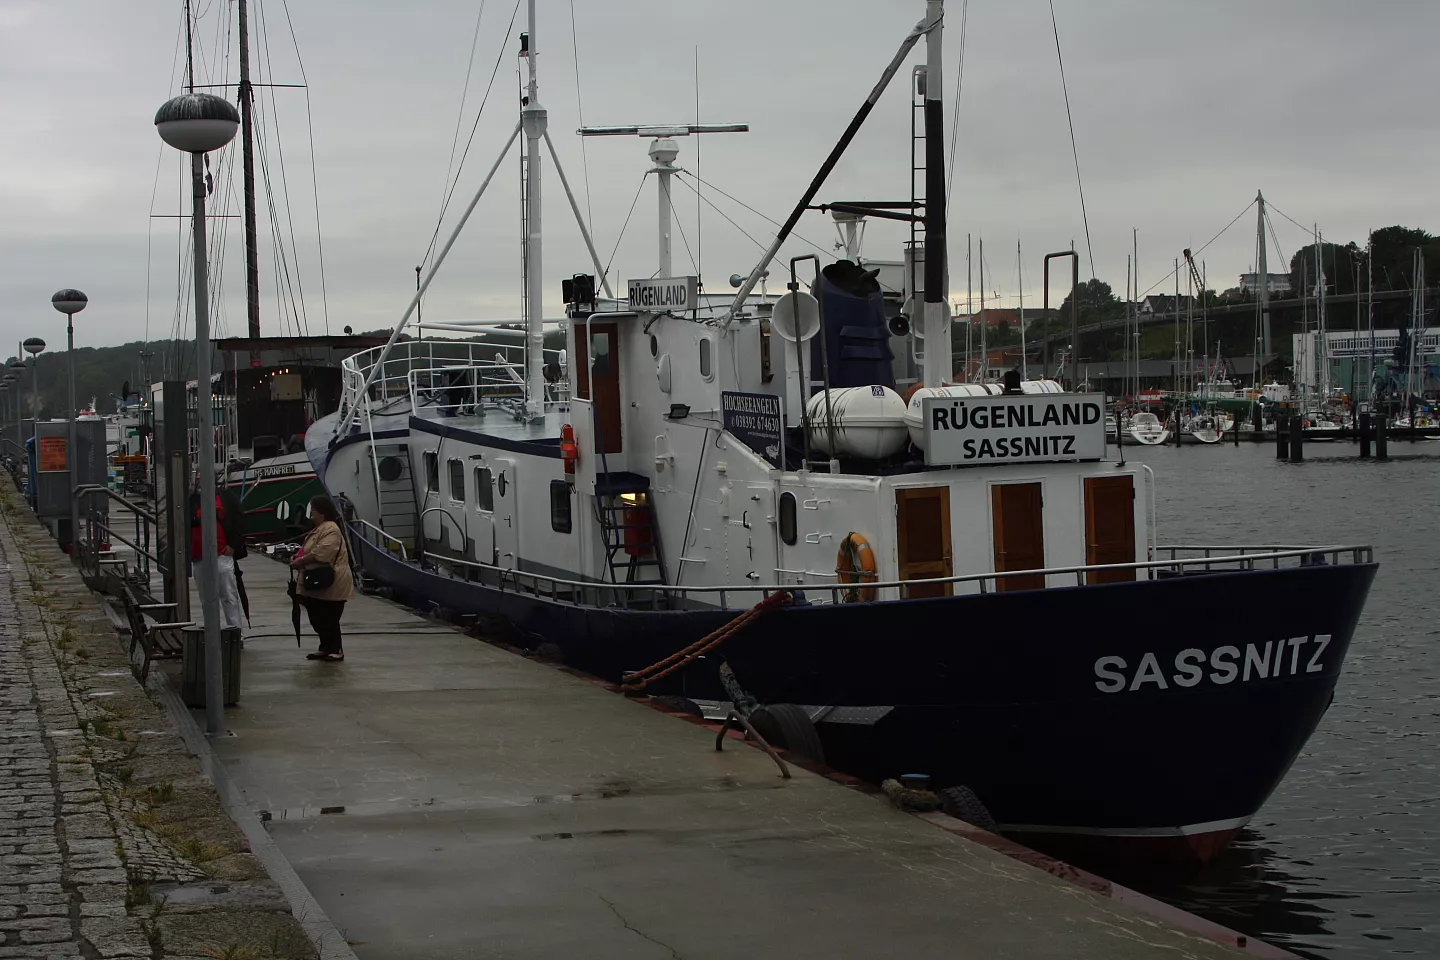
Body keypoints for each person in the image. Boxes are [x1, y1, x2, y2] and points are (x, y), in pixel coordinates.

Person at [291, 495, 354, 662]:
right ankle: (325, 647)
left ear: (322, 512)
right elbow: (308, 548)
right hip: (317, 580)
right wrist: (296, 557)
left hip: (332, 580)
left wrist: (301, 561)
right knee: (317, 615)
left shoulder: (331, 528)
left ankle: (336, 649)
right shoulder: (318, 529)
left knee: (329, 616)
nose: (311, 513)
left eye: (313, 510)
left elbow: (324, 552)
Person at [189, 491, 245, 631]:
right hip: (199, 557)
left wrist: (233, 545)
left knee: (228, 595)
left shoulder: (227, 498)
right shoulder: (191, 500)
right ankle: (212, 631)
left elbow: (239, 521)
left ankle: (235, 632)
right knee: (206, 599)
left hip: (221, 555)